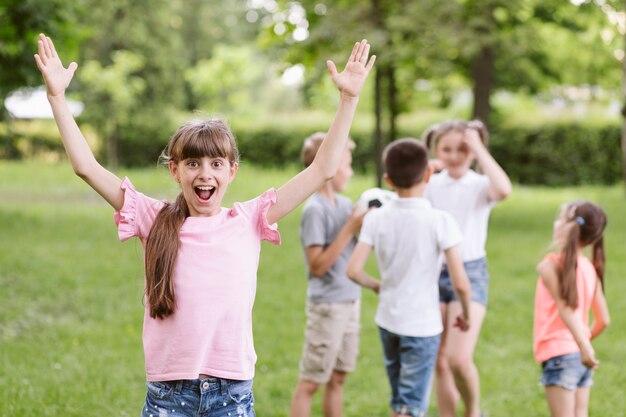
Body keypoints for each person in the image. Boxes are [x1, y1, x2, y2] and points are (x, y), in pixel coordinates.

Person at [34, 33, 375, 416]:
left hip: (230, 392)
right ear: (175, 170)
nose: (204, 174)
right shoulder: (153, 218)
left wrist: (348, 99)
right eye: (193, 163)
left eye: (215, 164)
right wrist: (56, 98)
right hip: (168, 393)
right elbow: (86, 167)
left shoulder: (249, 219)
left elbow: (322, 169)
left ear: (232, 171)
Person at [347, 138, 471, 417]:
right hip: (422, 326)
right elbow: (461, 282)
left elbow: (353, 270)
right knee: (409, 408)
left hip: (388, 322)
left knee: (401, 400)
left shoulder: (376, 218)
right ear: (428, 173)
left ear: (389, 180)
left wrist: (376, 285)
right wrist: (467, 315)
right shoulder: (441, 221)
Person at [422, 120, 511, 417]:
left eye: (462, 149)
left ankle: (473, 411)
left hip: (470, 272)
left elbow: (504, 190)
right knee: (440, 359)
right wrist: (427, 172)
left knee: (459, 358)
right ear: (435, 151)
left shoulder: (479, 184)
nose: (454, 155)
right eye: (446, 149)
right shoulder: (431, 184)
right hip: (433, 273)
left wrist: (478, 148)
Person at [289, 133, 366, 417]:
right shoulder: (315, 210)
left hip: (350, 302)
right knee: (311, 382)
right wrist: (349, 229)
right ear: (331, 167)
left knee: (338, 378)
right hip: (328, 307)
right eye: (347, 164)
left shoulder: (345, 205)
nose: (351, 171)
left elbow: (361, 248)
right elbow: (318, 266)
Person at [534, 201, 610, 417]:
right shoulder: (589, 268)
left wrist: (583, 347)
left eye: (561, 218)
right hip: (578, 355)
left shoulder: (549, 266)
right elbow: (603, 319)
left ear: (569, 227)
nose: (555, 222)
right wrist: (582, 345)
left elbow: (566, 308)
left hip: (562, 355)